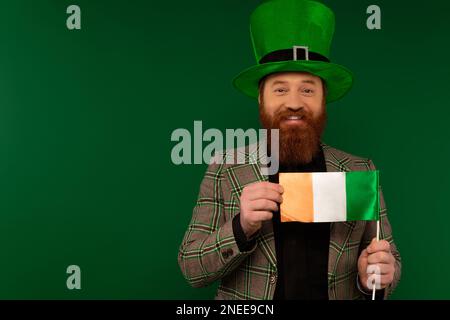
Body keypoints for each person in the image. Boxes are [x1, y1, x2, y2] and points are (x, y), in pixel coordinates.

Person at [178, 0, 401, 300]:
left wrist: (373, 278)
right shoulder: (226, 168)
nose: (294, 102)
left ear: (324, 99)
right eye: (280, 89)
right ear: (261, 99)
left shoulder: (360, 171)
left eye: (307, 89)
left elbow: (389, 261)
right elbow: (191, 269)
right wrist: (241, 227)